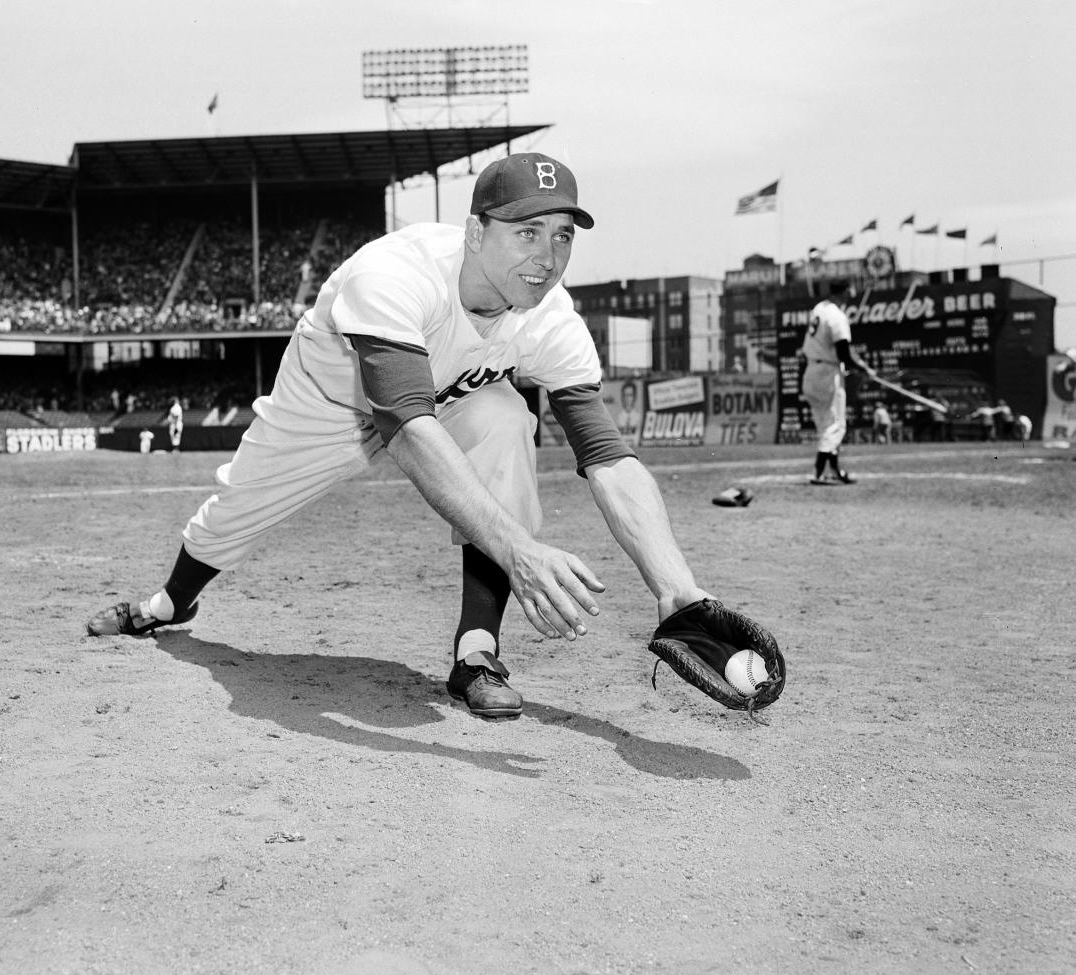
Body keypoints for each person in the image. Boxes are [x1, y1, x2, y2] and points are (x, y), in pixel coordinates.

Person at [86, 152, 780, 720]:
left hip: (445, 405)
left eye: (563, 235)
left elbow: (606, 456)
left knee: (506, 419)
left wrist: (677, 592)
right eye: (526, 232)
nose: (547, 256)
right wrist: (520, 551)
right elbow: (407, 429)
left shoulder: (551, 319)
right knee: (230, 514)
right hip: (332, 405)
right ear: (476, 233)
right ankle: (168, 603)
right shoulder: (396, 275)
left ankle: (475, 652)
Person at [800, 279, 871, 484]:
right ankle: (820, 472)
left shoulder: (819, 308)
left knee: (825, 426)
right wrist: (862, 368)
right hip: (827, 373)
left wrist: (858, 365)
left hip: (811, 371)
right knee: (835, 426)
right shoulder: (837, 316)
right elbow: (844, 354)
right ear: (847, 291)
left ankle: (834, 470)